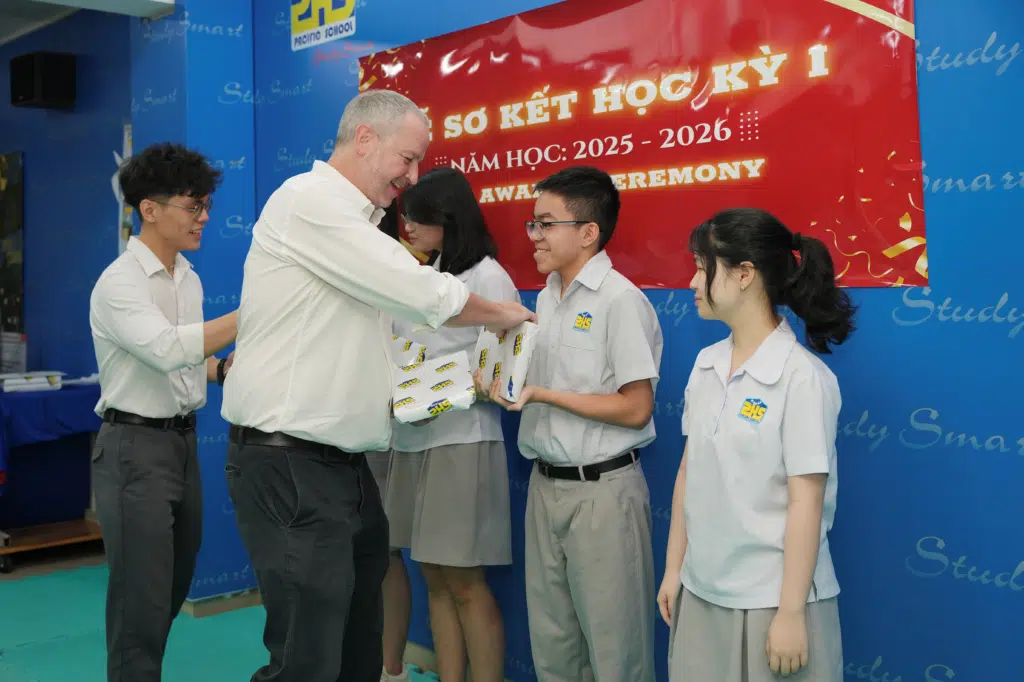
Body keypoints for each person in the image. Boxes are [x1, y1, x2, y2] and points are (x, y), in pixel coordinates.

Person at [221, 89, 535, 682]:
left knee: (355, 648)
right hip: (291, 462)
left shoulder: (358, 228)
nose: (411, 178)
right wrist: (503, 315)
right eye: (407, 159)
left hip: (345, 465)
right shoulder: (310, 202)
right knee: (307, 658)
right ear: (365, 139)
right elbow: (419, 292)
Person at [481, 166, 663, 682]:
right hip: (545, 487)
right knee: (553, 645)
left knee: (616, 652)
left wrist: (540, 395)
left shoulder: (620, 300)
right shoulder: (546, 298)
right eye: (532, 223)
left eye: (545, 224)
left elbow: (636, 407)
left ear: (588, 232)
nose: (534, 235)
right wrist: (495, 375)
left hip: (602, 494)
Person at [658, 208, 855, 682]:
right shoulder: (705, 364)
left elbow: (806, 502)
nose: (692, 282)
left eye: (702, 268)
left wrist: (790, 614)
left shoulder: (803, 378)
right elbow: (689, 472)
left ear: (744, 274)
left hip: (774, 600)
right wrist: (673, 569)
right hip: (701, 589)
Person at [89, 142, 238, 682]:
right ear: (149, 209)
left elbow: (188, 361)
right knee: (141, 601)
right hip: (134, 448)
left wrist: (225, 369)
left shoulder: (187, 277)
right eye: (193, 206)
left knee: (171, 586)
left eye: (206, 205)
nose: (204, 218)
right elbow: (166, 349)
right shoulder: (119, 283)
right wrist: (257, 312)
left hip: (181, 445)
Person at [381, 167, 516, 682]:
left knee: (465, 582)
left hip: (462, 440)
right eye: (406, 217)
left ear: (449, 217)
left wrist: (434, 387)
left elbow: (502, 372)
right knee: (434, 577)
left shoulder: (487, 277)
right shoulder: (425, 276)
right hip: (412, 439)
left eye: (419, 217)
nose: (408, 227)